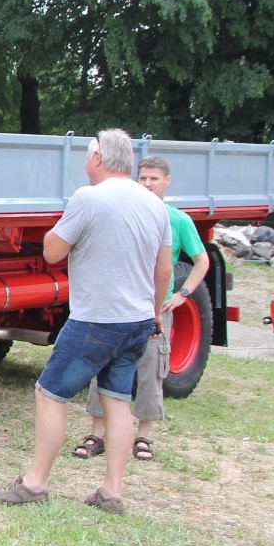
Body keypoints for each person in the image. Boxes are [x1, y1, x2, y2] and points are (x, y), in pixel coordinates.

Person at [0, 129, 170, 514]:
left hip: (96, 320)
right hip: (137, 321)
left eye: (88, 156)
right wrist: (154, 313)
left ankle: (35, 484)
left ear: (99, 158)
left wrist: (61, 228)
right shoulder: (155, 204)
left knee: (50, 393)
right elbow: (164, 270)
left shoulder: (88, 198)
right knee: (117, 402)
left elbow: (53, 252)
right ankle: (111, 492)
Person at [74, 156, 209, 462]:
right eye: (144, 178)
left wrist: (183, 294)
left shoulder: (177, 219)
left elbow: (202, 260)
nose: (148, 184)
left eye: (155, 179)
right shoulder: (125, 213)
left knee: (152, 371)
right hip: (119, 307)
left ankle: (144, 436)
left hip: (156, 310)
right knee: (102, 367)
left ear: (168, 181)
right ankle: (98, 433)